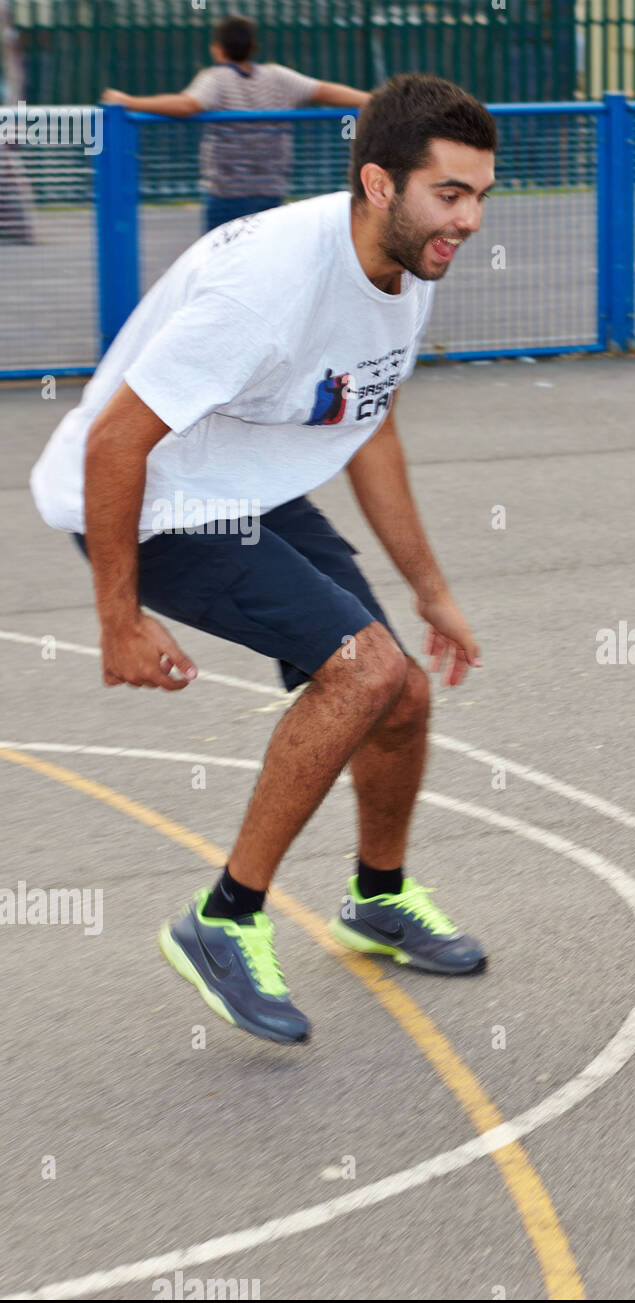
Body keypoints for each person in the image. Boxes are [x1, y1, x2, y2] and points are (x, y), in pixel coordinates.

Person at [30, 74, 498, 1046]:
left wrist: (433, 590)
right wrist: (117, 618)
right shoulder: (270, 286)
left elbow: (369, 427)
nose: (469, 219)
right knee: (360, 670)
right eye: (450, 195)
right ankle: (225, 918)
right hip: (149, 498)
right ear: (378, 184)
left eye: (481, 195)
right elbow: (113, 445)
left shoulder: (405, 270)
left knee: (401, 692)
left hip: (245, 482)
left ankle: (376, 898)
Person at [100, 13, 372, 232]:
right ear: (253, 48)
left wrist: (128, 101)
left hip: (226, 196)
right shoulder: (276, 76)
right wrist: (374, 100)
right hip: (270, 191)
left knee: (222, 267)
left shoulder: (217, 78)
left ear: (217, 50)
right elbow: (324, 90)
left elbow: (187, 104)